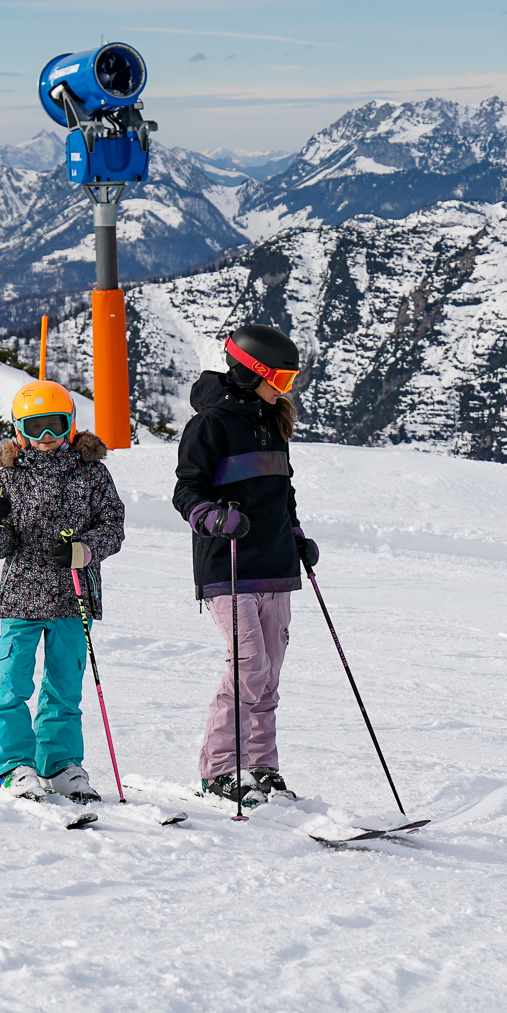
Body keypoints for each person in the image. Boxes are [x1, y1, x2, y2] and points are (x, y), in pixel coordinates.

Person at [172, 323, 319, 807]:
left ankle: (260, 765)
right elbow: (186, 490)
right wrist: (214, 517)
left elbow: (283, 493)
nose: (285, 390)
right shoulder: (210, 424)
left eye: (290, 381)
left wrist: (296, 537)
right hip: (229, 565)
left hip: (275, 564)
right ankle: (218, 769)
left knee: (269, 673)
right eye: (279, 380)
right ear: (249, 371)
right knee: (249, 666)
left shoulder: (272, 424)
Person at [0, 380, 125, 802]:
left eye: (55, 426)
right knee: (12, 682)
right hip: (21, 595)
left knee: (63, 686)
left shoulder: (92, 473)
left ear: (71, 424)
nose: (46, 438)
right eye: (35, 428)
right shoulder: (9, 477)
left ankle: (59, 764)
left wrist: (85, 550)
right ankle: (12, 766)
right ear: (19, 430)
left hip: (73, 595)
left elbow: (114, 526)